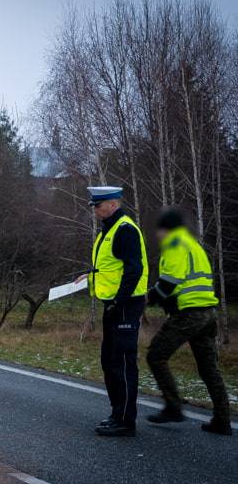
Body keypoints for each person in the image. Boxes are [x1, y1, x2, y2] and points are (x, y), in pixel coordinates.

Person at [145, 208, 232, 436]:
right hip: (207, 313)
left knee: (156, 355)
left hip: (189, 314)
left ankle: (173, 407)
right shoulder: (194, 246)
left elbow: (169, 282)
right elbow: (190, 280)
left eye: (160, 230)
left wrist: (148, 298)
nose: (159, 235)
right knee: (208, 368)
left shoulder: (174, 244)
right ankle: (222, 420)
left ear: (166, 229)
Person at [85, 186, 149, 437]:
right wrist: (89, 276)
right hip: (112, 305)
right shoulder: (108, 230)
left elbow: (134, 270)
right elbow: (111, 267)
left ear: (112, 204)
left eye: (98, 206)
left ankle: (125, 420)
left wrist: (118, 303)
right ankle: (117, 414)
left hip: (124, 305)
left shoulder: (124, 229)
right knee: (109, 361)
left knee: (122, 362)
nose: (95, 211)